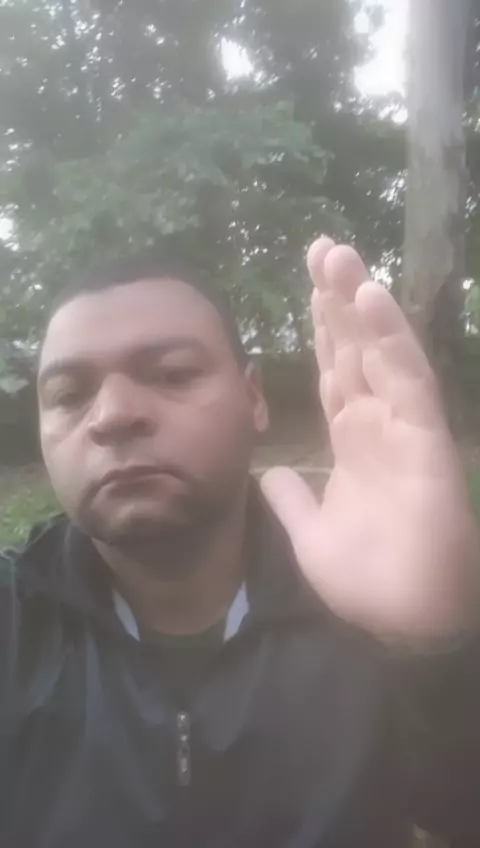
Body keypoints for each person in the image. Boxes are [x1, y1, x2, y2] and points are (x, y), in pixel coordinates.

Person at [1, 236, 480, 848]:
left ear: (253, 397)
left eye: (173, 374)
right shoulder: (13, 621)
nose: (112, 414)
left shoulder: (365, 596)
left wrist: (439, 651)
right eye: (69, 395)